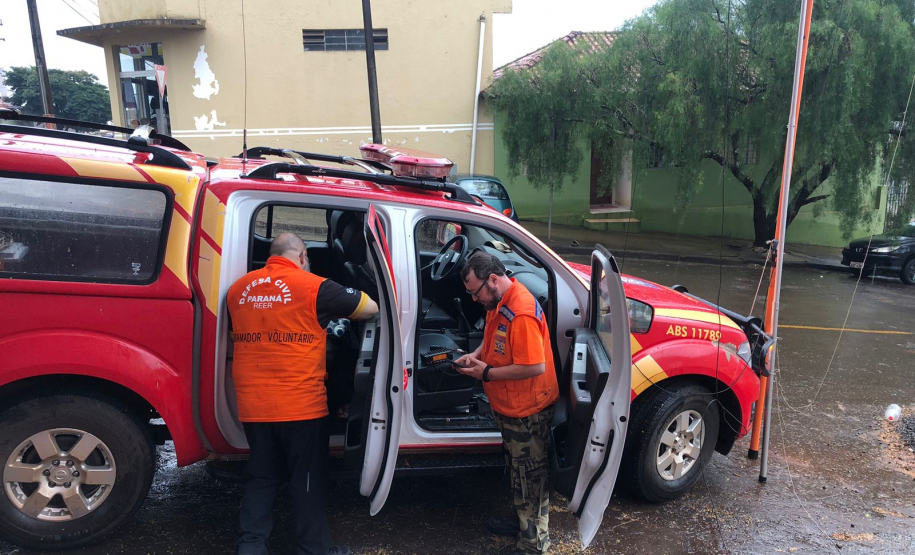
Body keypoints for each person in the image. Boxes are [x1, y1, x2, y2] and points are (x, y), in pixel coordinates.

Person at [227, 232, 378, 555]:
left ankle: (250, 547)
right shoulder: (314, 286)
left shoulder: (238, 289)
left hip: (253, 405)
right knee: (306, 482)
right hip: (301, 407)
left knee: (262, 477)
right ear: (302, 256)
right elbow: (369, 307)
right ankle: (314, 549)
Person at [453, 252, 559, 555]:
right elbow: (493, 340)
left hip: (528, 410)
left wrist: (486, 372)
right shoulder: (498, 302)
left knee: (530, 479)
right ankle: (521, 523)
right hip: (512, 408)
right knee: (517, 472)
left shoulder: (521, 311)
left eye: (475, 291)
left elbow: (534, 366)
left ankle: (534, 544)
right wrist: (476, 356)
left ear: (493, 280)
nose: (474, 299)